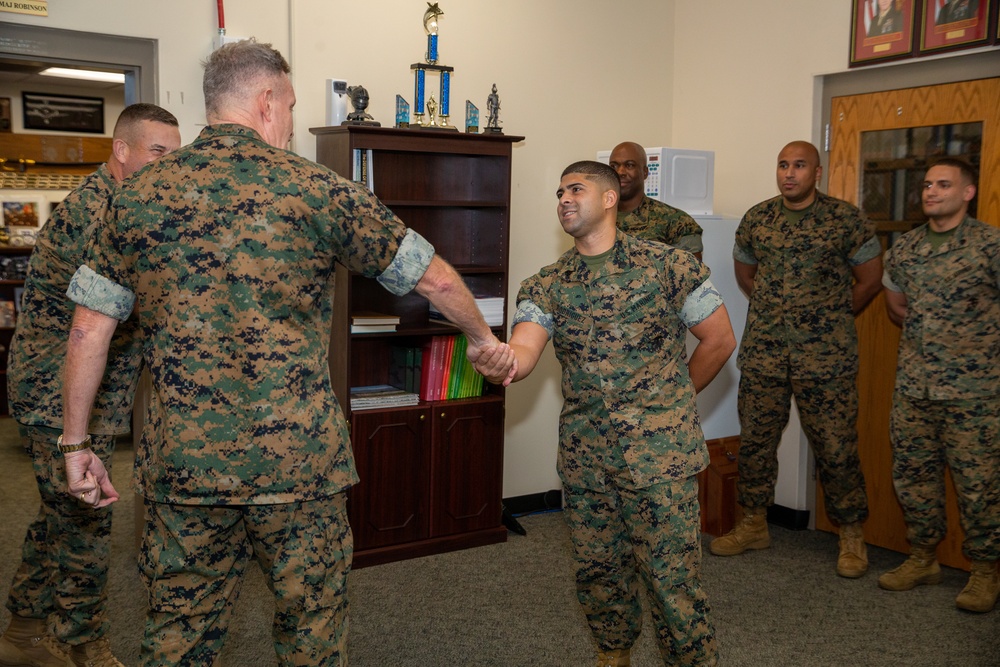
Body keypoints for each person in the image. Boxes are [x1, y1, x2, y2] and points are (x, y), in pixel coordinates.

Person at [59, 40, 512, 667]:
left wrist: (77, 445)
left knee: (179, 635)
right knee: (311, 630)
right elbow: (431, 276)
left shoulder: (134, 198)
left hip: (183, 468)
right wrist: (484, 341)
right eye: (292, 105)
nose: (293, 120)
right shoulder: (316, 189)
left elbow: (88, 331)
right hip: (298, 467)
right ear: (266, 101)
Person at [478, 160, 735, 666]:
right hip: (587, 457)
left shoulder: (668, 266)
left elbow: (719, 340)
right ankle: (612, 655)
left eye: (576, 189)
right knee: (599, 572)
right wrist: (500, 361)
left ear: (610, 198)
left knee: (671, 580)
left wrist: (673, 398)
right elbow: (525, 353)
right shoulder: (546, 283)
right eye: (559, 192)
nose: (564, 199)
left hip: (660, 460)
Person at [0, 103, 181, 667]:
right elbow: (127, 307)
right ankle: (81, 644)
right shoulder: (97, 215)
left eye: (175, 156)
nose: (167, 166)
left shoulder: (126, 205)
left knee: (61, 511)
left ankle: (24, 630)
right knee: (87, 518)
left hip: (85, 390)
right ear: (121, 151)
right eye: (157, 153)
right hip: (61, 394)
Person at [711, 141, 883, 579]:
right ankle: (752, 524)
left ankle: (850, 533)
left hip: (825, 357)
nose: (789, 173)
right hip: (766, 352)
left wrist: (830, 316)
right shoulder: (758, 218)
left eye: (799, 165)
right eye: (783, 165)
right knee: (755, 443)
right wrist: (776, 310)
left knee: (835, 445)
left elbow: (870, 278)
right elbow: (745, 274)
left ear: (817, 172)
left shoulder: (845, 219)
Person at [878, 158, 999, 613]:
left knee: (980, 484)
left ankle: (985, 570)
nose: (931, 191)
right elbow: (896, 305)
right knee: (913, 477)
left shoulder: (990, 245)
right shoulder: (906, 248)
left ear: (967, 193)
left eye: (943, 185)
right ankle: (923, 557)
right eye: (927, 184)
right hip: (914, 388)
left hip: (976, 393)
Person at [608, 141, 703, 259]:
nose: (620, 172)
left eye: (630, 165)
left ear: (645, 172)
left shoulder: (676, 221)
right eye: (614, 166)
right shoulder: (595, 217)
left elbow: (691, 274)